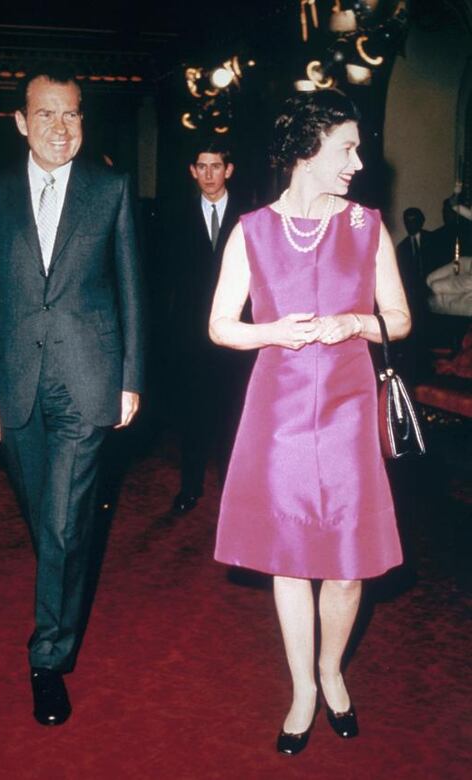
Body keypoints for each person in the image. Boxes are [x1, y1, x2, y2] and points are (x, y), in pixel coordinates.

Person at [209, 90, 410, 756]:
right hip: (281, 414)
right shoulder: (253, 230)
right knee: (290, 563)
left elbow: (401, 320)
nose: (358, 161)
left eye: (357, 148)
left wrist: (357, 322)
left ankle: (332, 671)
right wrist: (273, 331)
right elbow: (219, 326)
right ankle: (301, 688)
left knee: (349, 569)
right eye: (346, 148)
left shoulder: (367, 226)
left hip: (351, 410)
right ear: (308, 149)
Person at [0, 66, 144, 726]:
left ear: (82, 121)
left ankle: (48, 658)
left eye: (70, 115)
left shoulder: (112, 188)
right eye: (45, 114)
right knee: (47, 520)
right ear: (21, 121)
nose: (59, 128)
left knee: (65, 522)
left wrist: (131, 378)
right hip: (12, 381)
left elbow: (131, 289)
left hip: (88, 376)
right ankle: (62, 590)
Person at [166, 140, 247, 514]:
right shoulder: (173, 214)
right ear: (192, 171)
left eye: (216, 166)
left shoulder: (251, 216)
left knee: (235, 414)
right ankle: (191, 486)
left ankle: (234, 490)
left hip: (239, 333)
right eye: (202, 166)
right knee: (193, 414)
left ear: (228, 170)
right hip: (190, 337)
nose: (209, 174)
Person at [395, 207, 433, 381]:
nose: (410, 224)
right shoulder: (401, 248)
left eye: (413, 220)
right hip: (414, 296)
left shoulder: (434, 239)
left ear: (421, 221)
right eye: (406, 220)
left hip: (434, 288)